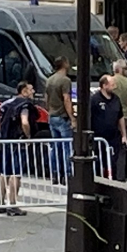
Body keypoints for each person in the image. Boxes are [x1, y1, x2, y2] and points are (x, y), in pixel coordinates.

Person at [0, 81, 38, 216]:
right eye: (31, 89)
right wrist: (28, 137)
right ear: (24, 91)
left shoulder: (8, 103)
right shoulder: (25, 105)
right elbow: (25, 122)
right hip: (17, 142)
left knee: (4, 172)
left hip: (5, 140)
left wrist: (1, 129)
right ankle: (13, 204)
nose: (33, 92)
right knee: (16, 173)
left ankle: (2, 203)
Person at [91, 75, 127, 181]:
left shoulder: (116, 99)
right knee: (99, 162)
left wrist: (124, 135)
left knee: (114, 162)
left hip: (114, 137)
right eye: (112, 85)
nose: (115, 87)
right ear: (104, 86)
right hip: (99, 138)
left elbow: (120, 117)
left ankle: (114, 181)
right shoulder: (94, 100)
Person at [45, 56, 75, 185]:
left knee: (55, 147)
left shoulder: (49, 80)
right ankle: (67, 174)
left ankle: (55, 174)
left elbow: (46, 98)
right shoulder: (65, 81)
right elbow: (67, 99)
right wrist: (73, 118)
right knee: (67, 147)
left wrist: (49, 111)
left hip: (52, 115)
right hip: (62, 116)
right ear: (65, 64)